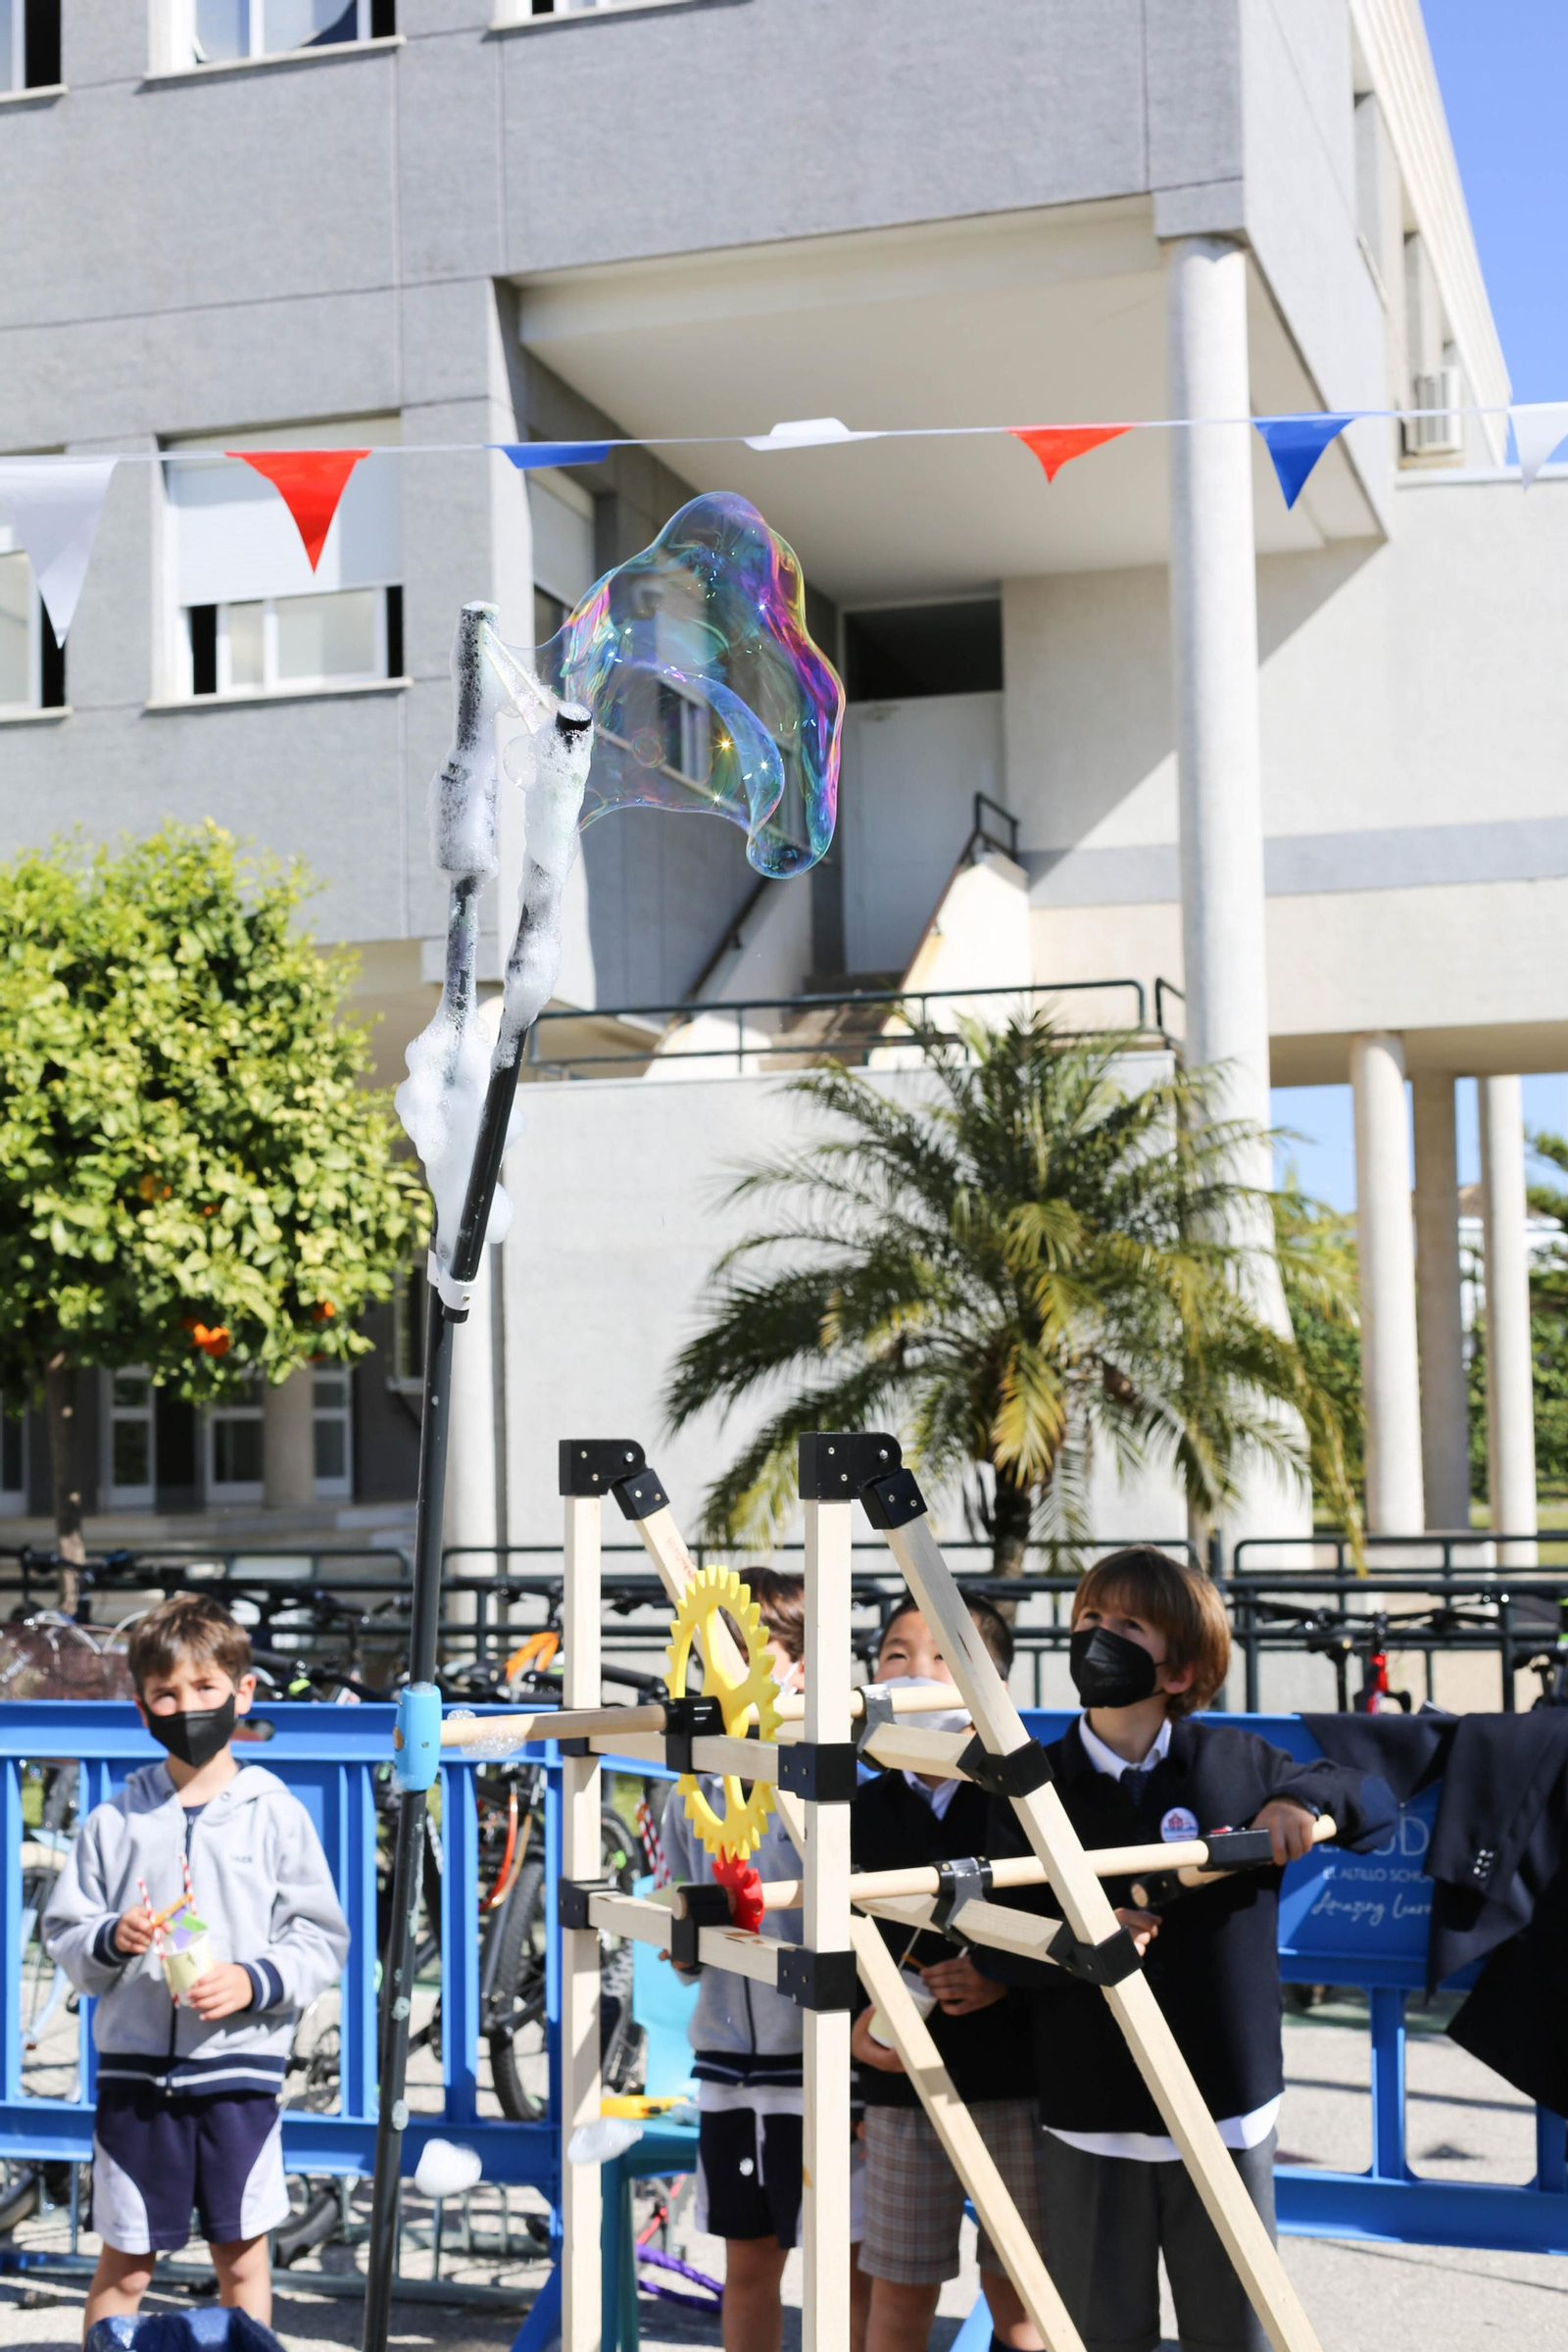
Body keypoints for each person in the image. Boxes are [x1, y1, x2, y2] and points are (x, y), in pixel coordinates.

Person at [985, 1547, 1394, 2352]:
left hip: (1226, 2113)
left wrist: (1297, 1801)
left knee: (1235, 2332)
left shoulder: (1242, 1764)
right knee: (1100, 2335)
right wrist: (1077, 1945)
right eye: (1088, 1621)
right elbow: (997, 1943)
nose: (1096, 1638)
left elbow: (1370, 1800)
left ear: (1181, 1671)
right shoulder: (1031, 1784)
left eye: (1127, 1626)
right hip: (1092, 2116)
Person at [44, 1591, 350, 2338]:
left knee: (241, 2258)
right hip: (135, 2081)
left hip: (240, 2078)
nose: (188, 1706)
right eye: (166, 1695)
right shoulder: (113, 1820)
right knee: (128, 2262)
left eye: (206, 1688)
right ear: (143, 1711)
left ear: (243, 1692)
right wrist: (113, 1937)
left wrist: (253, 1982)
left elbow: (320, 1939)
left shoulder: (276, 1811)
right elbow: (65, 1934)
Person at [659, 1569, 871, 2352]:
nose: (723, 1673)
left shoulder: (833, 1783)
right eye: (713, 1654)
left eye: (747, 1653)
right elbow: (680, 1942)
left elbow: (859, 1916)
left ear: (804, 1668)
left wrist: (772, 1904)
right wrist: (684, 1929)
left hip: (819, 2067)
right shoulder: (690, 1787)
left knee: (843, 2272)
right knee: (748, 2266)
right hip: (726, 2067)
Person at [851, 1594, 1049, 2352]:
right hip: (901, 2091)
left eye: (941, 1658)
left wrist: (998, 1974)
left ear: (988, 1687)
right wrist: (853, 2030)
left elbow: (1061, 1914)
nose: (913, 1672)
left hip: (1013, 2084)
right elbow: (831, 1938)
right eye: (896, 1655)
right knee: (898, 2296)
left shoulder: (1023, 1794)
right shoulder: (854, 1806)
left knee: (1023, 2296)